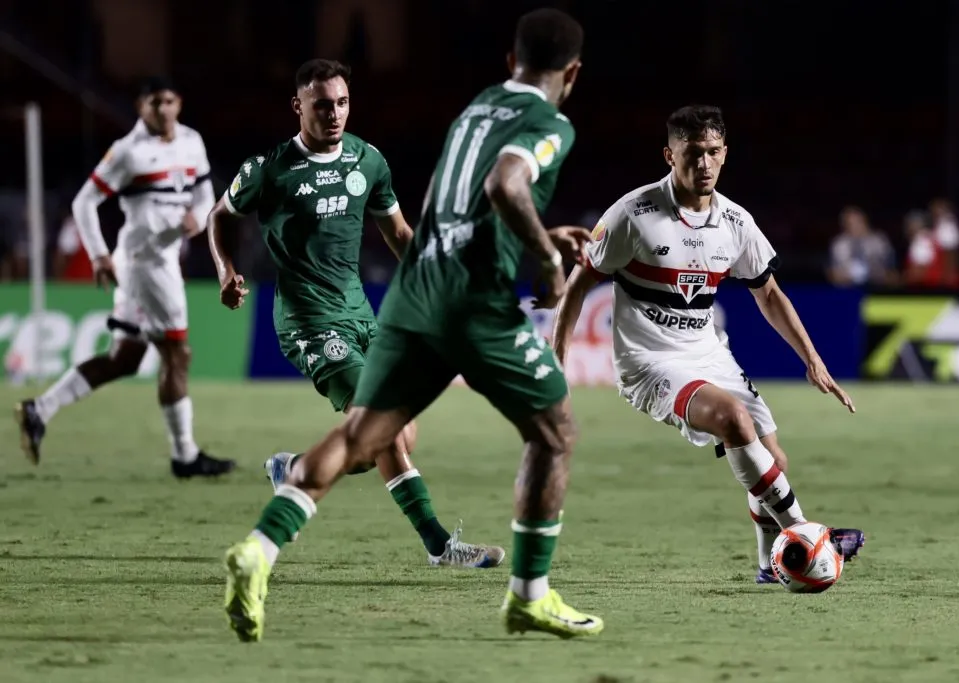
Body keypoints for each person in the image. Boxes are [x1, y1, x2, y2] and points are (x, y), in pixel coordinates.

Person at [220, 9, 602, 642]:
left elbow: (442, 208)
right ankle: (529, 596)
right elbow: (507, 185)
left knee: (365, 434)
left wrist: (535, 234)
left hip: (412, 288)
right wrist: (545, 261)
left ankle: (260, 549)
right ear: (574, 72)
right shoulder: (549, 123)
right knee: (555, 432)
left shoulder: (478, 107)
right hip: (468, 298)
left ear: (510, 63)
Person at [206, 58, 504, 571]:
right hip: (307, 321)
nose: (334, 113)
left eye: (342, 102)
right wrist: (225, 270)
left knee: (389, 439)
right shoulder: (269, 169)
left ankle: (296, 469)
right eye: (322, 105)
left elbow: (401, 235)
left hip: (363, 315)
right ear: (298, 107)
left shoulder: (368, 161)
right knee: (383, 426)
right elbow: (219, 217)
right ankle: (439, 545)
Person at [550, 105, 865, 585]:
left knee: (772, 462)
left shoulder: (735, 222)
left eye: (713, 152)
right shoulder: (633, 215)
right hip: (649, 362)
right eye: (692, 153)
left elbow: (770, 293)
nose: (704, 164)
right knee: (733, 420)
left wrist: (813, 360)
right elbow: (579, 283)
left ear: (725, 153)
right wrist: (555, 360)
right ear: (669, 155)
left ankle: (767, 565)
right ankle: (803, 532)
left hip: (708, 352)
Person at [14, 77, 234, 478]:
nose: (162, 109)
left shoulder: (191, 142)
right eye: (154, 103)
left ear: (179, 102)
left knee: (125, 359)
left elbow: (205, 195)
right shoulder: (129, 152)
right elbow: (85, 202)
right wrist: (98, 255)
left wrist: (198, 217)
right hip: (145, 263)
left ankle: (38, 409)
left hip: (159, 260)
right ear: (140, 107)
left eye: (168, 101)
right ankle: (185, 456)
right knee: (177, 353)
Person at [826, 205, 897, 287]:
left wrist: (875, 275)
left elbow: (893, 273)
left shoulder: (880, 241)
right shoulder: (838, 244)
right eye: (850, 223)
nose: (855, 226)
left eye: (858, 222)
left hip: (877, 289)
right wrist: (845, 277)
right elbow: (832, 274)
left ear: (865, 221)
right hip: (846, 290)